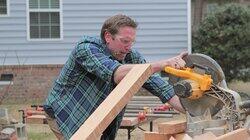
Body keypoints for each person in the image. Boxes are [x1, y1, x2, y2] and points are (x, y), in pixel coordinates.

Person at [43, 14, 187, 140]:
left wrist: (192, 109)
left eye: (132, 42)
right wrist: (163, 64)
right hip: (66, 111)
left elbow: (160, 86)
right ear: (107, 37)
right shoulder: (86, 49)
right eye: (125, 41)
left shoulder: (131, 56)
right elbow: (116, 73)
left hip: (95, 115)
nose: (129, 47)